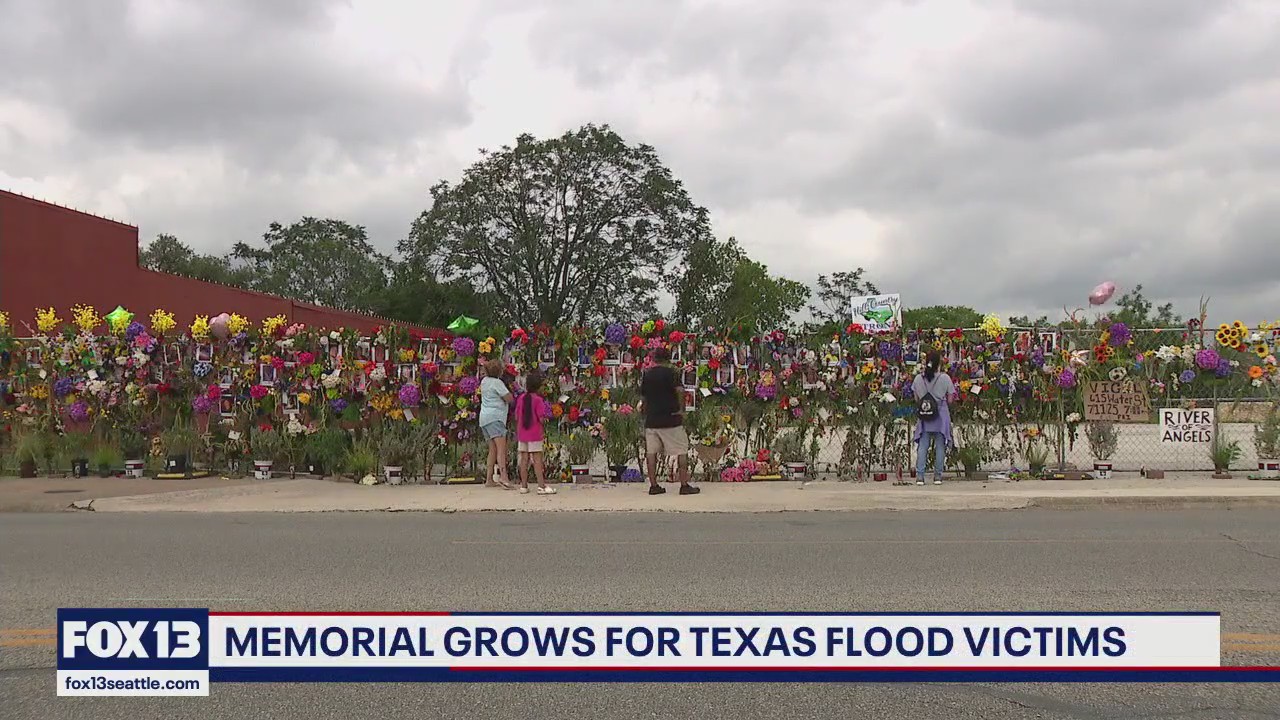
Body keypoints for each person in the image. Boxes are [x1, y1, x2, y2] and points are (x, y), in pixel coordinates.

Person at [638, 347, 699, 496]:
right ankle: (684, 485)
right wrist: (682, 409)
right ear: (668, 358)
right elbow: (680, 391)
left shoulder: (647, 374)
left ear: (654, 358)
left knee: (651, 453)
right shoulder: (672, 373)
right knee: (681, 451)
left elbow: (644, 397)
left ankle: (654, 486)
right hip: (671, 418)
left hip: (652, 419)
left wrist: (645, 412)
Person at [912, 351, 955, 486]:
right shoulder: (945, 378)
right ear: (939, 364)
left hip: (925, 414)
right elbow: (950, 399)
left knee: (923, 446)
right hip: (941, 415)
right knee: (940, 446)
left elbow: (916, 398)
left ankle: (920, 476)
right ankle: (937, 476)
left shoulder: (918, 379)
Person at [514, 371, 556, 495]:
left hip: (522, 434)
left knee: (524, 460)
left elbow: (516, 416)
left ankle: (523, 486)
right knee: (537, 460)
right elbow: (541, 418)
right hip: (535, 434)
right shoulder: (538, 400)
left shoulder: (521, 398)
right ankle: (541, 486)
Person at [478, 359, 514, 489]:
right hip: (496, 418)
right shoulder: (497, 383)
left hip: (484, 418)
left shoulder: (484, 381)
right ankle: (504, 477)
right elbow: (509, 398)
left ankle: (489, 479)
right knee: (501, 449)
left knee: (492, 449)